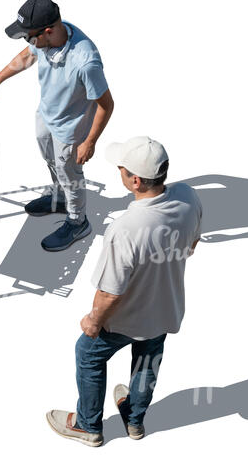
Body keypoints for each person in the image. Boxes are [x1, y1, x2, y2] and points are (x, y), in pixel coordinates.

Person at [46, 137, 203, 447]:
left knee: (88, 355)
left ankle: (88, 426)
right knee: (147, 360)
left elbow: (110, 293)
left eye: (122, 167)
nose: (118, 169)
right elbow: (192, 246)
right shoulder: (189, 197)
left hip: (124, 320)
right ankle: (134, 420)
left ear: (135, 180)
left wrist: (93, 321)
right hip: (165, 310)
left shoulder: (126, 228)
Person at [0, 0, 114, 251]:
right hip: (47, 114)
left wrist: (89, 142)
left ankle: (78, 221)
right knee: (50, 160)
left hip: (71, 128)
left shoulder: (86, 61)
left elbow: (107, 105)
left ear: (48, 31)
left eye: (28, 36)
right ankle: (60, 197)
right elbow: (27, 57)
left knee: (69, 171)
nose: (27, 41)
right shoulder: (45, 37)